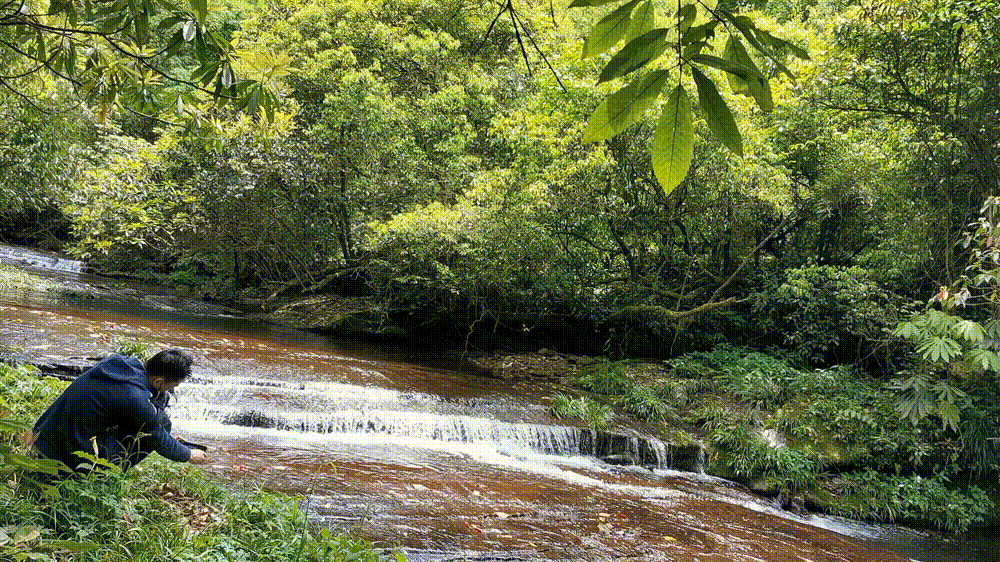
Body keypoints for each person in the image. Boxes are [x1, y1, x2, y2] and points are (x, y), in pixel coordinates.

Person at [32, 348, 207, 472]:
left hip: (42, 437)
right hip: (62, 454)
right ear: (159, 382)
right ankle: (103, 475)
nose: (170, 391)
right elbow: (158, 439)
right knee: (149, 435)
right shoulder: (135, 398)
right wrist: (188, 454)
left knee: (154, 426)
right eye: (172, 386)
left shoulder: (120, 365)